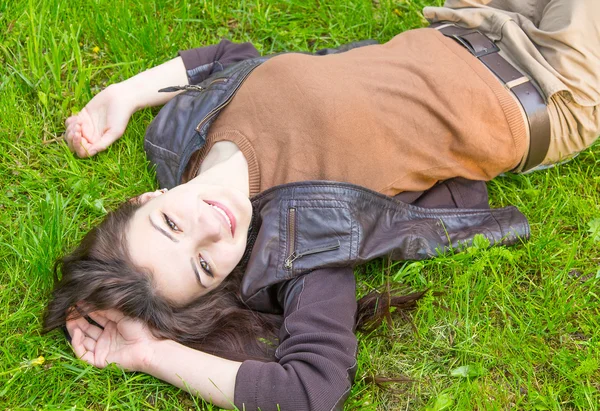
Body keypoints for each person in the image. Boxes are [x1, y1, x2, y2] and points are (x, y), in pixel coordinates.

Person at [44, 1, 599, 410]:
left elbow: (229, 57)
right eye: (204, 265)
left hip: (470, 21)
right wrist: (150, 354)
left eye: (169, 225)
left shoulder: (179, 136)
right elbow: (311, 389)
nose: (211, 228)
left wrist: (123, 94)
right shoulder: (304, 244)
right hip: (551, 80)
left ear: (148, 198)